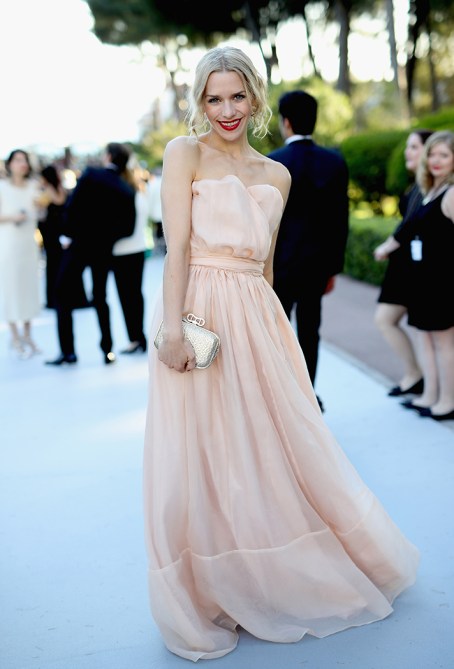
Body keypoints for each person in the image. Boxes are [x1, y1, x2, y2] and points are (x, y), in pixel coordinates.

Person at [143, 46, 419, 662]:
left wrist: (276, 334)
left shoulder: (278, 175)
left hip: (258, 314)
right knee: (204, 447)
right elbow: (176, 248)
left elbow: (266, 264)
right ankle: (214, 582)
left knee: (272, 441)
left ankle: (277, 571)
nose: (227, 110)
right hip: (199, 309)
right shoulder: (184, 153)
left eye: (237, 96)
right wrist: (173, 329)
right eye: (214, 98)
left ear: (256, 97)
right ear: (200, 101)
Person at [267, 90, 349, 411]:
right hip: (317, 265)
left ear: (286, 122)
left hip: (280, 265)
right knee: (310, 330)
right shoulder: (334, 161)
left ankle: (283, 396)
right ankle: (308, 394)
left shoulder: (272, 162)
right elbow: (340, 221)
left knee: (277, 331)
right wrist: (333, 269)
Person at [382, 130, 454, 421]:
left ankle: (447, 401)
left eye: (444, 155)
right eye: (432, 154)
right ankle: (430, 396)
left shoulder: (451, 193)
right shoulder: (430, 190)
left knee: (444, 344)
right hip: (423, 281)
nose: (436, 160)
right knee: (426, 340)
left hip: (443, 283)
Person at [45, 142, 136, 366]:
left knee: (61, 294)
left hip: (78, 246)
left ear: (108, 157)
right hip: (103, 250)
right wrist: (107, 238)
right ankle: (107, 350)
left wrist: (67, 235)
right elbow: (128, 228)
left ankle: (68, 352)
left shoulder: (91, 175)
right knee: (100, 298)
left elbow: (72, 206)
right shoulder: (126, 189)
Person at [373, 130, 433, 396]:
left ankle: (423, 381)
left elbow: (410, 226)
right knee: (389, 321)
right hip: (405, 266)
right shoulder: (417, 186)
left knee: (422, 330)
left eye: (414, 147)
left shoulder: (430, 187)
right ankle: (416, 376)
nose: (408, 152)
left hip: (414, 267)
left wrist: (388, 245)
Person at [0, 149, 41, 358]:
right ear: (10, 164)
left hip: (28, 245)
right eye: (17, 160)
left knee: (28, 290)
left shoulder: (34, 186)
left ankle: (27, 334)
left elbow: (41, 212)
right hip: (9, 245)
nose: (22, 163)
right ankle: (15, 336)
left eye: (24, 160)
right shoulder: (2, 187)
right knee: (11, 290)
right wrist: (13, 217)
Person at [37, 164, 90, 310]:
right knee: (62, 264)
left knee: (55, 265)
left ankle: (55, 299)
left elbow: (46, 209)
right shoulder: (60, 189)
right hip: (58, 233)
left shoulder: (49, 191)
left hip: (53, 233)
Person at [112, 164, 149, 354]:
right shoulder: (141, 194)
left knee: (126, 297)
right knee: (136, 294)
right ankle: (139, 336)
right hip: (138, 249)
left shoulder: (125, 196)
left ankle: (135, 338)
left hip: (122, 251)